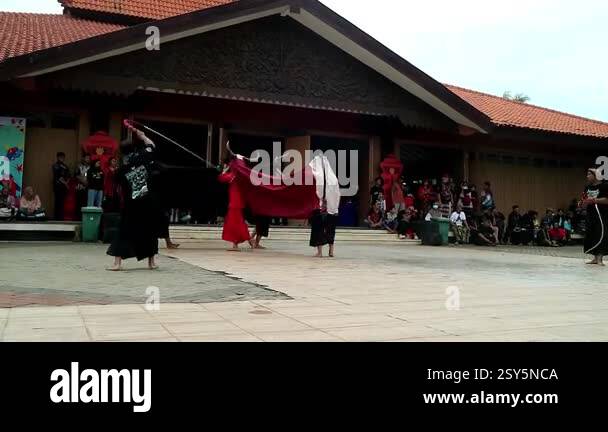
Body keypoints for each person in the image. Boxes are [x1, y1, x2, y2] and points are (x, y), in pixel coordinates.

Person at [107, 128, 160, 271]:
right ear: (135, 148)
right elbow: (152, 145)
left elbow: (116, 181)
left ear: (122, 151)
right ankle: (151, 262)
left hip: (131, 204)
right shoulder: (144, 156)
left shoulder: (122, 168)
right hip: (147, 201)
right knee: (149, 230)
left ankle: (117, 263)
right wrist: (142, 136)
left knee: (124, 231)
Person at [218, 158, 254, 251]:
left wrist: (224, 170)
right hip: (238, 203)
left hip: (235, 203)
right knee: (237, 223)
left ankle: (246, 239)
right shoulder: (240, 176)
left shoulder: (234, 176)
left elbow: (221, 178)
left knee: (235, 223)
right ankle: (238, 243)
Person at [580, 168, 608, 266]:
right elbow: (584, 198)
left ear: (596, 175)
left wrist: (594, 200)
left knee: (600, 234)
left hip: (602, 215)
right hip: (591, 214)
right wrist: (582, 203)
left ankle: (600, 258)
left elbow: (606, 200)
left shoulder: (605, 186)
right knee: (591, 235)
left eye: (589, 174)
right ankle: (595, 258)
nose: (587, 176)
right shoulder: (587, 187)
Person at [52, 152, 70, 220]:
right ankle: (56, 217)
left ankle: (61, 217)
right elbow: (58, 177)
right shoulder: (55, 165)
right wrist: (66, 183)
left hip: (64, 187)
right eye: (60, 157)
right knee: (57, 202)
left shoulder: (65, 166)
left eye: (63, 157)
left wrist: (67, 182)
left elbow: (68, 175)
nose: (62, 158)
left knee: (62, 202)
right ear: (58, 157)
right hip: (58, 186)